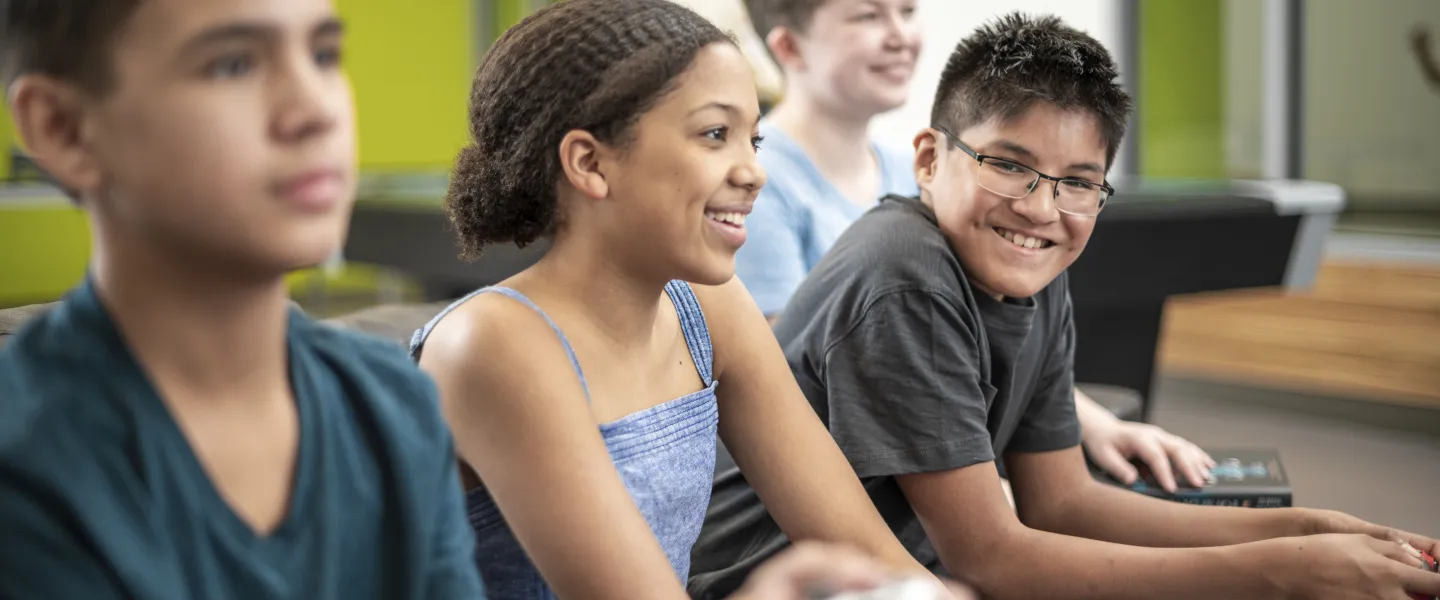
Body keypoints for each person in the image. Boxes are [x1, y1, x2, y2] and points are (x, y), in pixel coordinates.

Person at [689, 13, 1440, 600]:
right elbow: (996, 556)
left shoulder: (1034, 273)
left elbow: (1062, 502)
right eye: (1009, 166)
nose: (1043, 208)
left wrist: (1314, 528)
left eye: (1079, 181)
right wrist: (1289, 569)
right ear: (928, 158)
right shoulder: (904, 275)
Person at [410, 1, 957, 599]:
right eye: (715, 134)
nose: (754, 172)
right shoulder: (492, 345)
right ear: (590, 163)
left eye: (755, 138)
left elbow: (869, 553)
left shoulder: (707, 306)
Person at [0, 0, 486, 598]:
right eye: (232, 64)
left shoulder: (391, 406)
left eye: (323, 55)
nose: (315, 109)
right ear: (63, 128)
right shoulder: (27, 458)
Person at [731, 0, 1212, 496]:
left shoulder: (920, 174)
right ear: (788, 45)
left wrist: (1090, 424)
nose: (900, 35)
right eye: (868, 16)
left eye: (908, 11)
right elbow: (777, 378)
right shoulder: (758, 187)